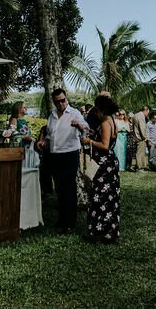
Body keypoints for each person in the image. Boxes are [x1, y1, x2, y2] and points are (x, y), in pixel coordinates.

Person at [37, 87, 91, 234]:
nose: (61, 104)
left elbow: (87, 130)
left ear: (66, 99)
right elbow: (50, 135)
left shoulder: (74, 113)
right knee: (59, 189)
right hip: (55, 155)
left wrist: (79, 125)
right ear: (54, 102)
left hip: (70, 154)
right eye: (57, 102)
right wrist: (44, 142)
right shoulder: (52, 115)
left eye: (63, 100)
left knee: (69, 188)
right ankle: (61, 220)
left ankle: (70, 223)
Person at [80, 94, 120, 243]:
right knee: (109, 196)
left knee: (100, 196)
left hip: (104, 164)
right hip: (110, 163)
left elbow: (104, 145)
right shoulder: (113, 121)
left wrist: (89, 141)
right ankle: (109, 230)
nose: (95, 113)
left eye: (97, 110)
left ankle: (99, 230)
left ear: (102, 110)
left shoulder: (105, 123)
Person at [8, 101, 38, 169]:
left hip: (26, 148)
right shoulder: (14, 119)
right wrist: (24, 137)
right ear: (19, 109)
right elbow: (12, 133)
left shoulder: (24, 121)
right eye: (24, 107)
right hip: (18, 149)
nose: (26, 108)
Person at [130, 106, 150, 172]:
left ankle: (137, 166)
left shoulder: (135, 115)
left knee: (138, 152)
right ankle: (140, 168)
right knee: (140, 153)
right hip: (140, 137)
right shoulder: (141, 116)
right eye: (147, 113)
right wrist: (145, 137)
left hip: (136, 136)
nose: (147, 114)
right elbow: (142, 128)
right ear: (145, 110)